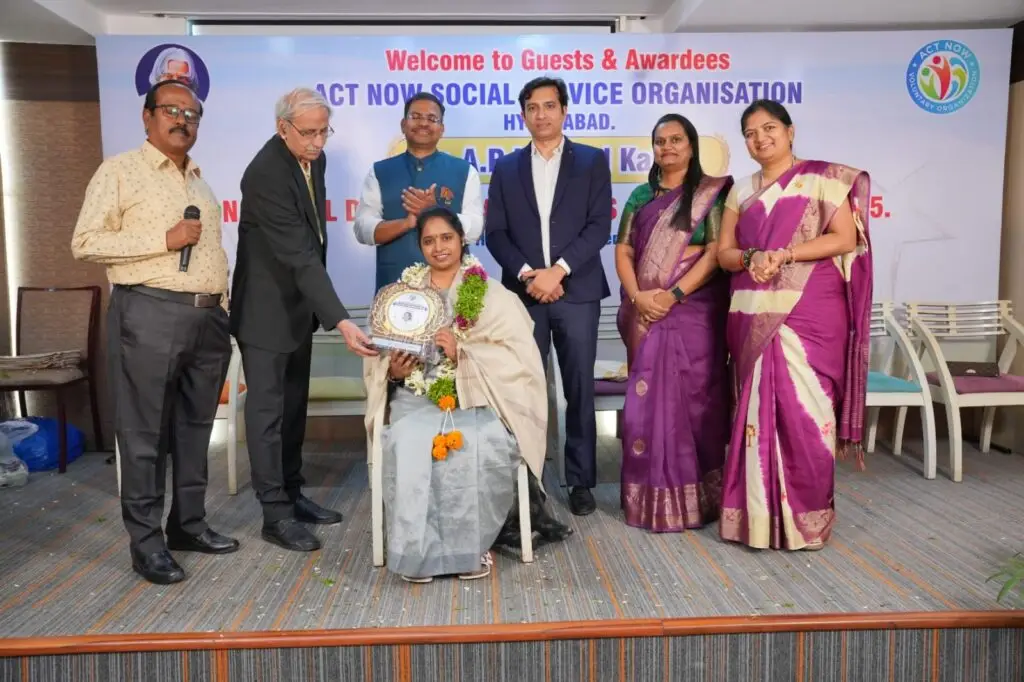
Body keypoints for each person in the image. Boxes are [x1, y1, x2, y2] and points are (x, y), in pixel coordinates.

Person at [71, 80, 237, 585]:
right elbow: (85, 241)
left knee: (195, 431)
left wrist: (222, 305)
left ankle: (187, 524)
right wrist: (164, 239)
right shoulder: (119, 171)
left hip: (206, 319)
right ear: (147, 117)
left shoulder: (200, 183)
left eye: (192, 113)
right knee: (144, 435)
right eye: (171, 110)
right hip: (149, 311)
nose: (182, 119)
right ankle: (147, 544)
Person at [364, 206, 568, 582]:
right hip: (417, 398)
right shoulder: (403, 295)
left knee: (475, 443)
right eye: (429, 240)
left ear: (462, 240)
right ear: (420, 246)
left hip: (479, 400)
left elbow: (519, 358)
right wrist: (393, 371)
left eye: (446, 238)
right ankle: (417, 554)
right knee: (409, 440)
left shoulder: (491, 293)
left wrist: (464, 354)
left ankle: (471, 549)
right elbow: (379, 355)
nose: (439, 247)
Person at [715, 99, 872, 551]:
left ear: (789, 130)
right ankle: (757, 520)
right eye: (750, 132)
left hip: (810, 311)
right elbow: (724, 253)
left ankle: (806, 519)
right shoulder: (739, 191)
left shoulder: (824, 178)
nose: (760, 138)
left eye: (769, 128)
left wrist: (785, 253)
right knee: (757, 414)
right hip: (753, 309)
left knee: (809, 415)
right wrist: (750, 257)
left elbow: (843, 238)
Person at [231, 87, 378, 553]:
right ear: (283, 128)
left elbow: (314, 236)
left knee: (294, 409)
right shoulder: (265, 173)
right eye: (309, 133)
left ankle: (293, 494)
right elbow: (297, 252)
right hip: (265, 311)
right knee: (268, 413)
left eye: (323, 132)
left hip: (297, 306)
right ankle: (273, 513)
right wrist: (339, 318)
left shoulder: (315, 160)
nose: (318, 142)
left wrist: (318, 309)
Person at [485, 77, 612, 516]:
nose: (541, 114)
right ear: (523, 114)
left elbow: (598, 226)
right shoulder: (505, 169)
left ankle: (580, 481)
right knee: (523, 387)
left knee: (577, 388)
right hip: (523, 295)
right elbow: (495, 233)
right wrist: (527, 275)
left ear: (563, 110)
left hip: (577, 291)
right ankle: (530, 476)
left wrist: (557, 270)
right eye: (533, 107)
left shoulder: (592, 162)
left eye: (549, 106)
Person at [614, 114, 733, 533]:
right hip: (645, 312)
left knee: (697, 400)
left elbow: (716, 250)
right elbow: (624, 249)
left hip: (694, 311)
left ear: (691, 145)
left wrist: (674, 295)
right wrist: (638, 296)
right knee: (646, 404)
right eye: (660, 141)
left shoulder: (709, 195)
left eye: (676, 140)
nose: (668, 148)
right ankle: (648, 497)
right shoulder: (641, 197)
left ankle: (698, 499)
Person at [354, 92, 484, 292]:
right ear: (403, 125)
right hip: (394, 288)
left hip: (451, 290)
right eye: (415, 117)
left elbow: (475, 229)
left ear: (441, 129)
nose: (423, 123)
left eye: (432, 119)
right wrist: (407, 223)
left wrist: (433, 211)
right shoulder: (379, 172)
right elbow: (363, 229)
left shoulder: (465, 171)